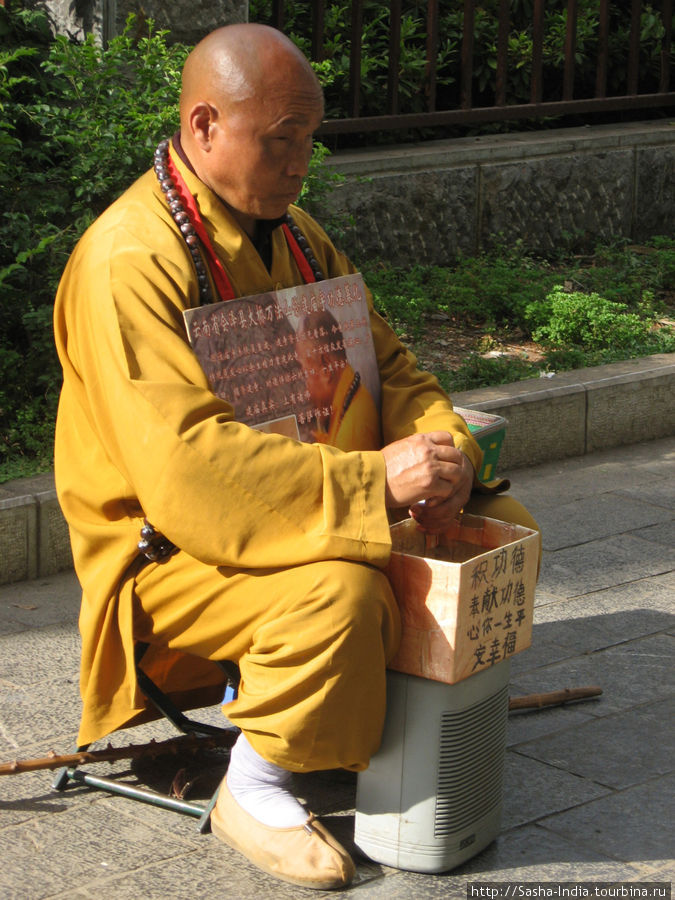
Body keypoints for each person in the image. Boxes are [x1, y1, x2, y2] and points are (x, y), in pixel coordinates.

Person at [53, 23, 540, 891]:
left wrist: (446, 450)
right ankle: (257, 783)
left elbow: (389, 367)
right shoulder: (128, 261)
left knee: (497, 526)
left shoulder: (298, 233)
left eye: (309, 141)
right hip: (175, 554)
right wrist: (373, 484)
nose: (300, 164)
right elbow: (187, 469)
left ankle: (359, 720)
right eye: (282, 142)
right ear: (204, 126)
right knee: (339, 593)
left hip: (311, 499)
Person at [295, 308, 381, 449]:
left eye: (305, 374)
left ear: (326, 369)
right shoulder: (350, 398)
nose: (304, 390)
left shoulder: (353, 432)